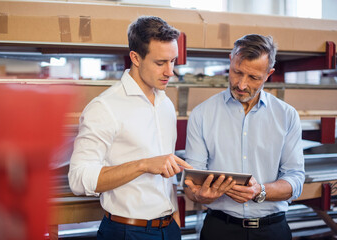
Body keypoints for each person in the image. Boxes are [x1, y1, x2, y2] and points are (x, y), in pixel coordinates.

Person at [68, 16, 192, 240]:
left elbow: (167, 170)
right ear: (135, 57)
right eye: (160, 62)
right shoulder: (104, 107)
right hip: (127, 231)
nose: (170, 71)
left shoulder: (165, 103)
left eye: (173, 61)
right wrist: (143, 164)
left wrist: (174, 217)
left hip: (169, 228)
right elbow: (78, 179)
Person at [183, 34, 305, 240]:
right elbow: (191, 182)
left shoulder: (287, 115)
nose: (241, 84)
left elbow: (295, 179)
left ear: (268, 74)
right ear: (230, 60)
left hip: (272, 230)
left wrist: (261, 190)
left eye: (253, 78)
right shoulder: (202, 114)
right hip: (220, 229)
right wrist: (199, 195)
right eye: (237, 72)